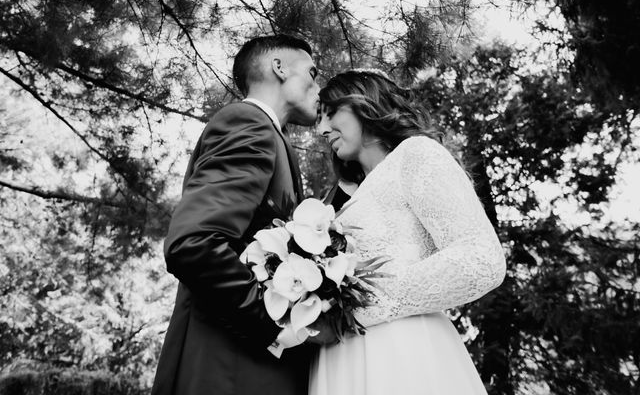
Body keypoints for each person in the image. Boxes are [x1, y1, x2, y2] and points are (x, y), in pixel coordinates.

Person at [311, 69, 507, 395]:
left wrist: (355, 309)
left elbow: (482, 257)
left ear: (365, 102)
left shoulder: (415, 154)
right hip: (341, 362)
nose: (321, 129)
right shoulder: (346, 198)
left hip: (402, 354)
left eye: (330, 113)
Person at [151, 34, 321, 395]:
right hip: (228, 369)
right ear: (279, 67)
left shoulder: (273, 137)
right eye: (313, 71)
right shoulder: (249, 123)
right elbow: (193, 243)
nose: (318, 87)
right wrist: (273, 326)